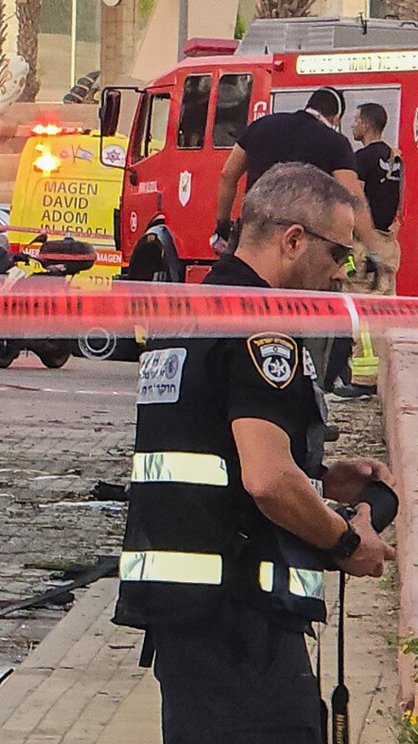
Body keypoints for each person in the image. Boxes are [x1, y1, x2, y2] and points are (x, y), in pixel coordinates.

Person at [115, 163, 393, 744]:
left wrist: (322, 478)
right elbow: (266, 480)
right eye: (339, 254)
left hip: (187, 617)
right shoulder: (260, 328)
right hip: (242, 618)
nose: (340, 273)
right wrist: (347, 542)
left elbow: (211, 449)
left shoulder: (191, 312)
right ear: (293, 240)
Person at [215, 87, 373, 255]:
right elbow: (352, 196)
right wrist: (371, 246)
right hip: (300, 240)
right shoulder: (335, 142)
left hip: (254, 233)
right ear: (335, 117)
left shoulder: (259, 126)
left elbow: (227, 175)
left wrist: (223, 225)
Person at [350, 101, 400, 293]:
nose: (352, 125)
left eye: (356, 120)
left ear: (366, 125)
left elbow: (354, 199)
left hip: (364, 248)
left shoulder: (362, 158)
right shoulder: (395, 159)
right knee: (385, 304)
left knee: (359, 299)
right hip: (388, 247)